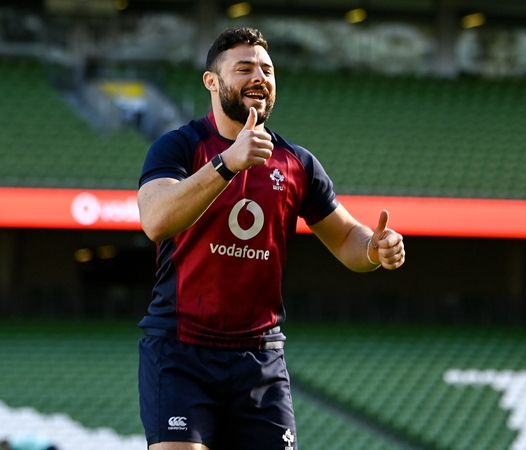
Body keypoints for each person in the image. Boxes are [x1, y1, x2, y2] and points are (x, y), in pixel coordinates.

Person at [136, 27, 405, 450]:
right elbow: (155, 219)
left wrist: (374, 248)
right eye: (244, 68)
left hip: (260, 358)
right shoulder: (180, 147)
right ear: (212, 81)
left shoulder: (296, 162)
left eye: (267, 69)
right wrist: (228, 164)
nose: (258, 77)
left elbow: (346, 238)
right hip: (181, 350)